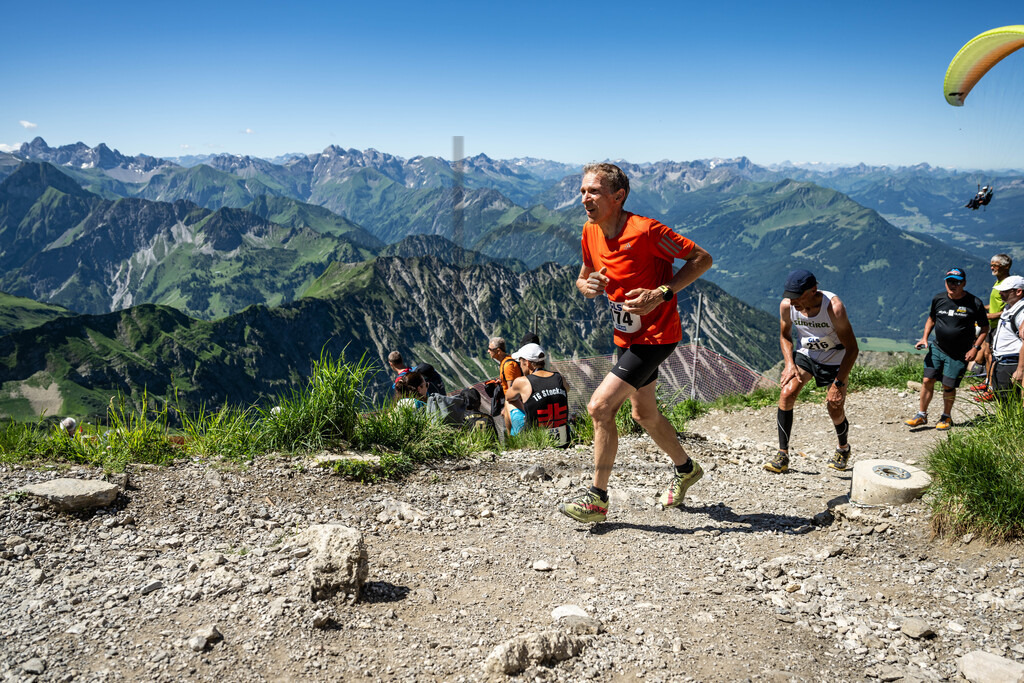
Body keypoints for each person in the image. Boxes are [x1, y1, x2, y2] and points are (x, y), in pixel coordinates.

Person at [559, 163, 713, 524]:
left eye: (593, 191)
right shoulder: (590, 231)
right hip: (625, 336)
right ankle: (687, 469)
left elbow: (702, 259)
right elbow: (583, 277)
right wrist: (587, 286)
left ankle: (596, 499)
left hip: (657, 336)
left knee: (599, 407)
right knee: (643, 414)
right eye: (582, 191)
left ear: (618, 196)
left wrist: (662, 293)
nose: (585, 198)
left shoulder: (645, 231)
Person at [764, 270, 859, 474]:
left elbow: (852, 348)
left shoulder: (834, 308)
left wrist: (839, 384)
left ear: (813, 291)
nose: (792, 301)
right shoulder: (787, 306)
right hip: (807, 354)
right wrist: (789, 364)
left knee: (834, 406)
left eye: (797, 296)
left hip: (836, 358)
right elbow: (785, 336)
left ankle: (843, 448)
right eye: (789, 295)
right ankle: (782, 454)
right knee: (786, 393)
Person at [905, 268, 988, 430]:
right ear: (945, 282)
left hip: (959, 353)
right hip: (937, 347)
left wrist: (975, 348)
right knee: (927, 380)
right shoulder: (939, 299)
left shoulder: (974, 303)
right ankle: (921, 415)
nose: (953, 285)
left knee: (948, 386)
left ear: (963, 283)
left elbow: (984, 328)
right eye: (950, 281)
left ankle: (946, 417)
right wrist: (924, 337)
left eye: (957, 282)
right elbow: (931, 318)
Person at [504, 343, 571, 447]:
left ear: (527, 362)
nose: (520, 366)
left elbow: (508, 396)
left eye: (520, 362)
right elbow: (567, 389)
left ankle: (512, 444)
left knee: (508, 403)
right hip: (563, 440)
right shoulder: (559, 377)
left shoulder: (523, 381)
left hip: (535, 441)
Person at [971, 254, 1013, 401]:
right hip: (992, 325)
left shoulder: (1009, 284)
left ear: (1005, 267)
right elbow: (996, 304)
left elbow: (1010, 308)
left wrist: (988, 316)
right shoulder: (998, 282)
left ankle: (993, 389)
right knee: (988, 354)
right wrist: (983, 309)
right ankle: (988, 382)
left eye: (995, 265)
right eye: (991, 264)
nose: (992, 267)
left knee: (994, 357)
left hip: (1000, 326)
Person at [989, 275, 1024, 400]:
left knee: (1010, 402)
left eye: (1005, 291)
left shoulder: (1021, 312)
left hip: (1012, 363)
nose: (1000, 293)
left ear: (1018, 291)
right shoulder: (1010, 307)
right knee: (1002, 400)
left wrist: (1020, 370)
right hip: (1002, 362)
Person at [487, 336, 523, 432]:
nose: (488, 351)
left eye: (490, 349)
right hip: (511, 403)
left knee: (510, 431)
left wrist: (506, 407)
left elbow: (511, 389)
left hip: (513, 404)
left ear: (498, 351)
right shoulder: (505, 362)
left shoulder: (508, 365)